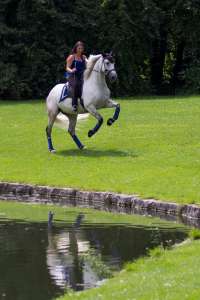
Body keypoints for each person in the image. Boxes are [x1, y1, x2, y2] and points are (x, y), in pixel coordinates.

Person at [66, 41, 87, 112]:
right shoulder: (72, 57)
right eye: (79, 48)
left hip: (82, 75)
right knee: (76, 85)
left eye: (82, 48)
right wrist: (71, 70)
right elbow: (67, 68)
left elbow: (88, 65)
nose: (80, 50)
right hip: (73, 75)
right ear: (76, 48)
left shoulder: (83, 57)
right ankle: (74, 104)